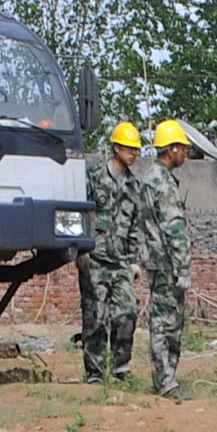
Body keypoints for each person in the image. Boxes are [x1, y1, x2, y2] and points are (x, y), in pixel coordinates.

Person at [76, 120, 150, 384]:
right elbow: (81, 214)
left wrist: (133, 262)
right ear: (116, 148)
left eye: (136, 150)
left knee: (127, 312)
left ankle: (121, 368)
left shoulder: (133, 187)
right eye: (130, 148)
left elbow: (133, 227)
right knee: (95, 317)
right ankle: (95, 373)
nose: (134, 154)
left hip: (119, 262)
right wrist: (80, 250)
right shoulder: (94, 177)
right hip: (94, 258)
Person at [138, 118, 199, 398]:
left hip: (157, 261)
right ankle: (166, 382)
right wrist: (183, 268)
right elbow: (173, 227)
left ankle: (168, 378)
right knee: (166, 323)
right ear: (171, 150)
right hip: (166, 265)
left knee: (169, 322)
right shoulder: (161, 182)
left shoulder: (152, 178)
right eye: (182, 149)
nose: (185, 154)